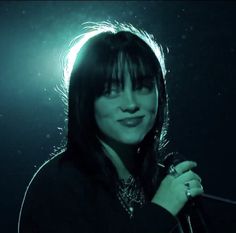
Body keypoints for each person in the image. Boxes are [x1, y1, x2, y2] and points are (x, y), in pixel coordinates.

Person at [18, 21, 206, 233]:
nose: (131, 104)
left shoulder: (162, 181)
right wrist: (160, 211)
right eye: (111, 90)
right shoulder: (58, 184)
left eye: (142, 87)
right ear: (86, 101)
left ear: (159, 94)